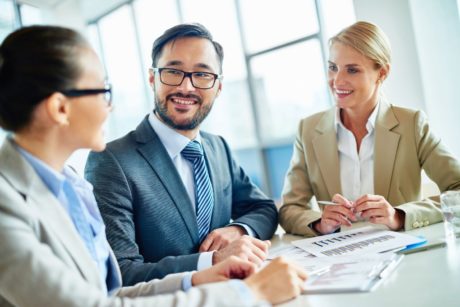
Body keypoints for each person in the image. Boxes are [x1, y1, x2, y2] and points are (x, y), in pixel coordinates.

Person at [0, 25, 308, 307]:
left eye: (201, 75)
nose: (111, 105)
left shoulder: (68, 185)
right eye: (102, 90)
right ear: (60, 108)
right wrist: (249, 293)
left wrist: (197, 278)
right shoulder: (12, 200)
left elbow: (106, 293)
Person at [85, 23, 278, 285]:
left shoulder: (217, 147)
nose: (186, 87)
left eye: (202, 75)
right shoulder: (111, 160)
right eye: (173, 72)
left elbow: (263, 208)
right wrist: (211, 261)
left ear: (218, 86)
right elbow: (121, 271)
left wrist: (238, 229)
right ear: (152, 78)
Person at [279, 21, 460, 237]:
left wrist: (399, 215)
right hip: (340, 259)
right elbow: (289, 209)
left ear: (381, 73)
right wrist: (320, 222)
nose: (337, 80)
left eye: (352, 70)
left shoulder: (411, 124)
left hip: (404, 253)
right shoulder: (308, 130)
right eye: (333, 67)